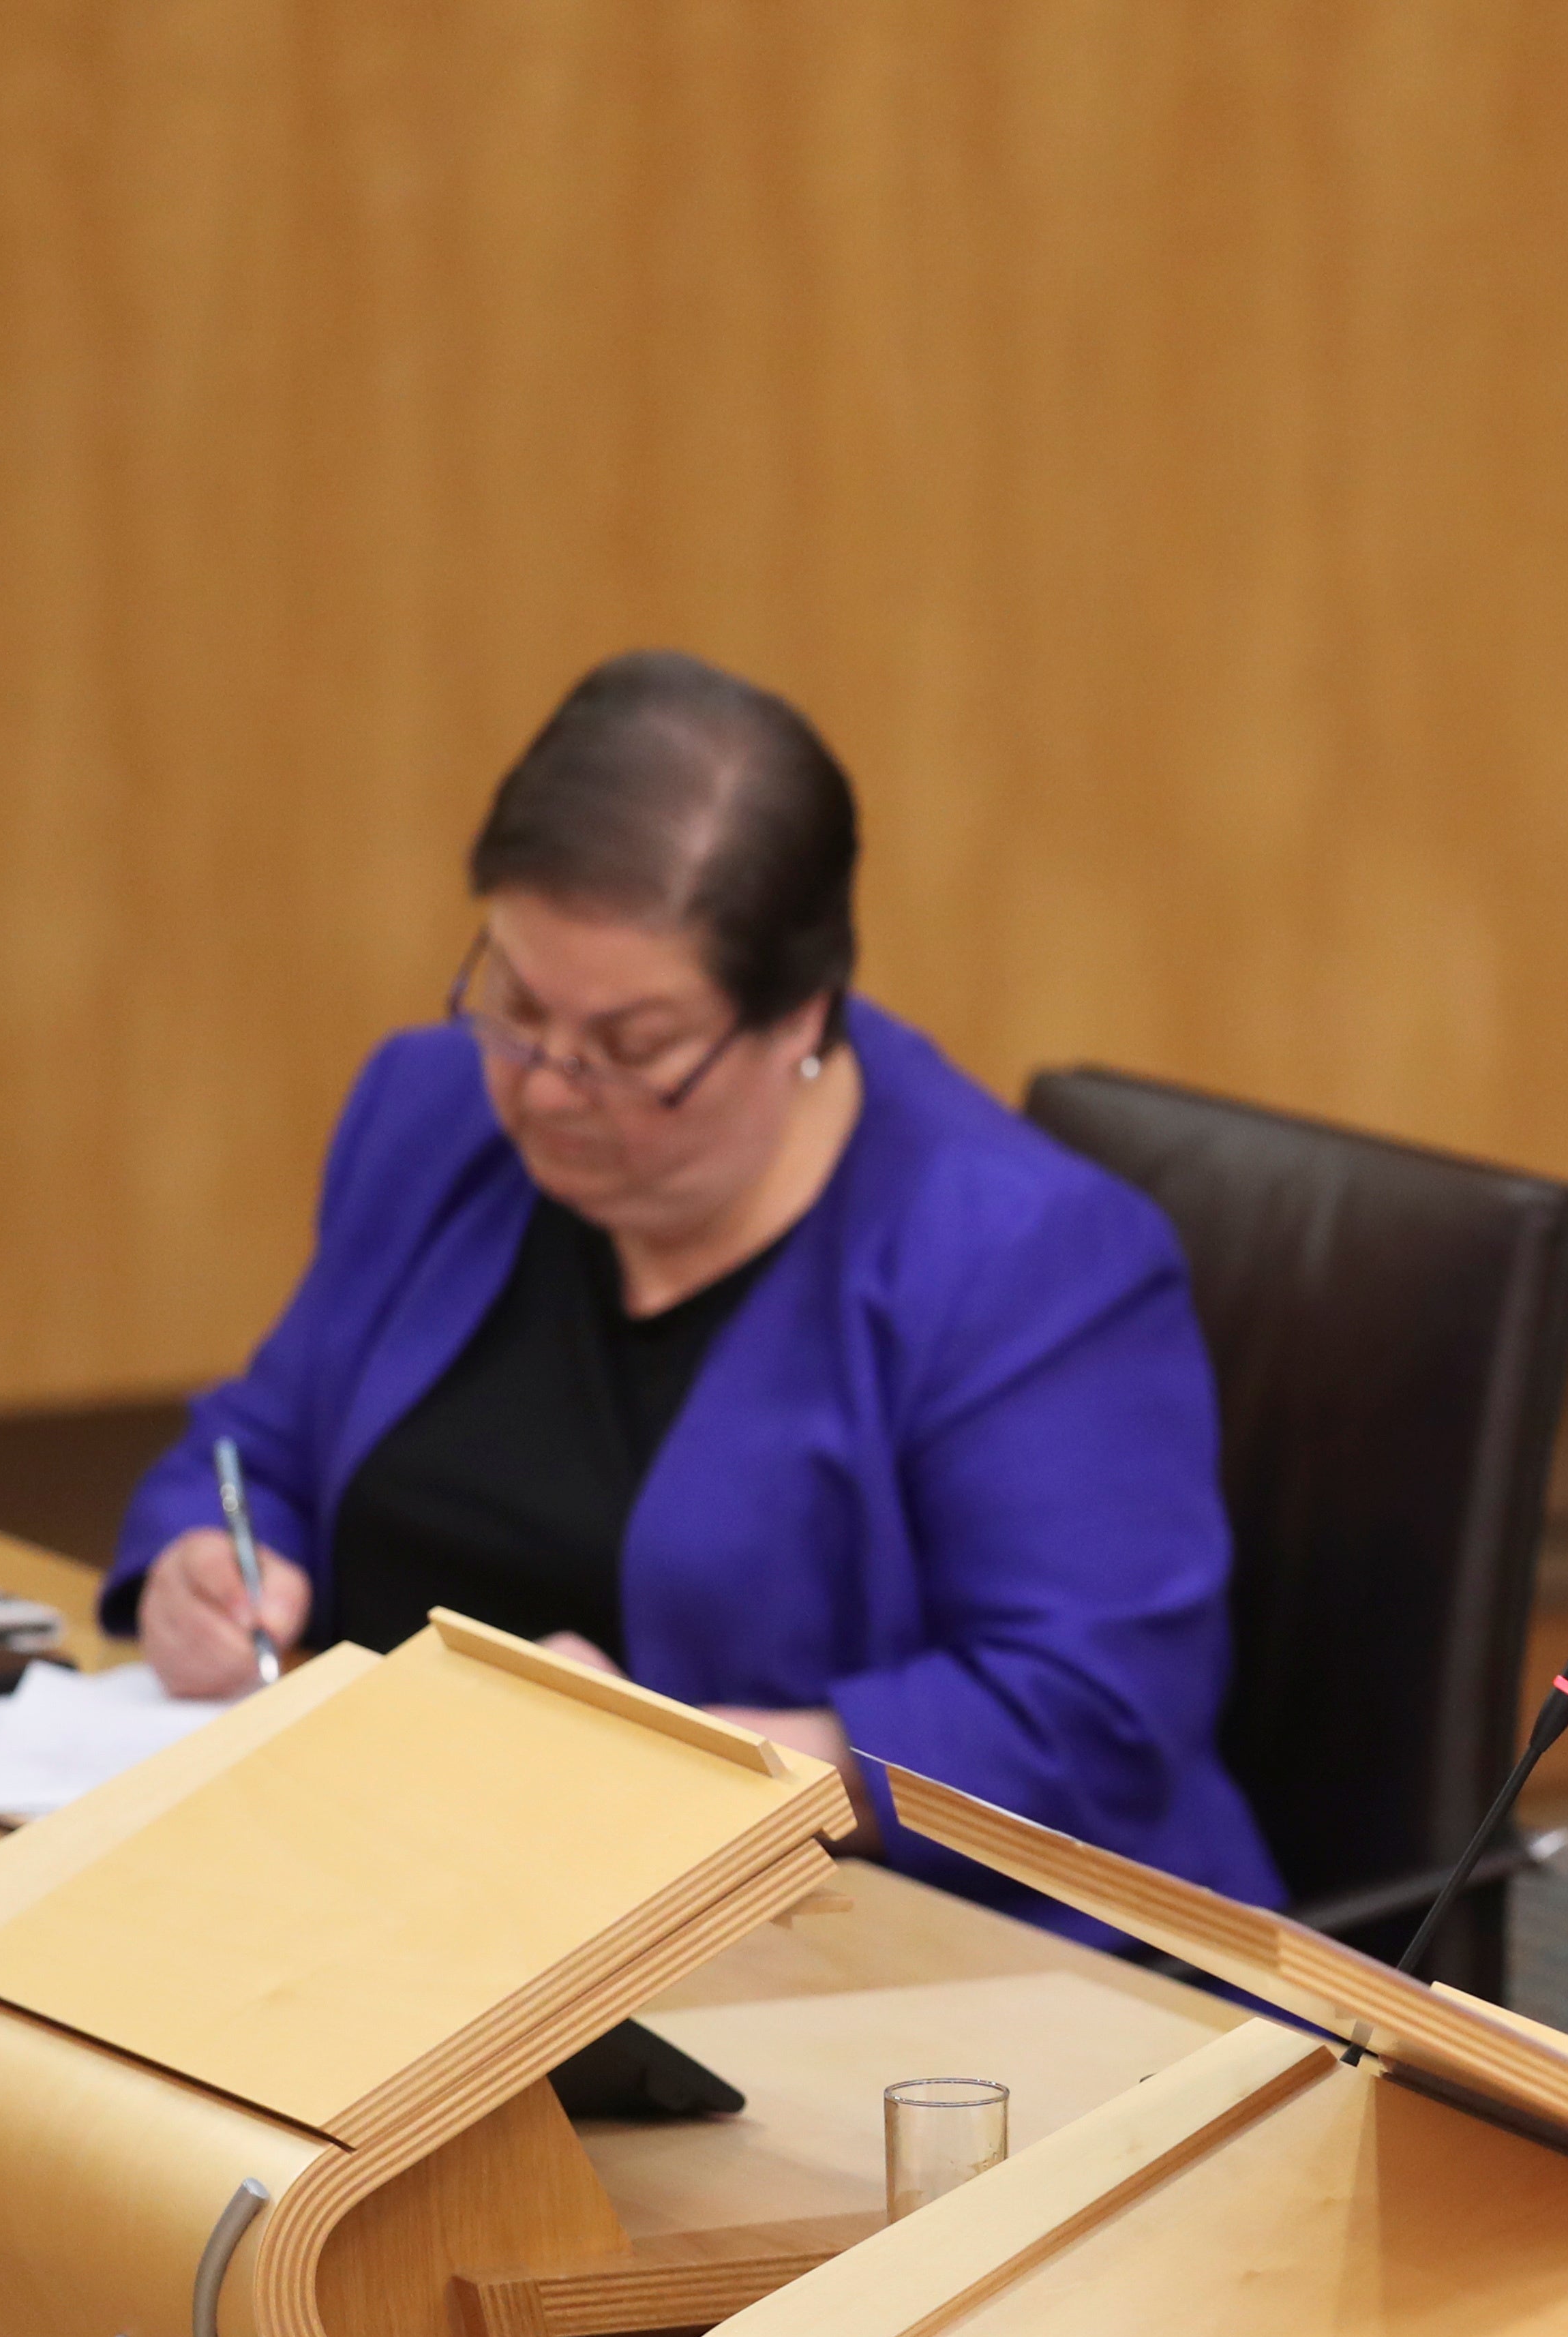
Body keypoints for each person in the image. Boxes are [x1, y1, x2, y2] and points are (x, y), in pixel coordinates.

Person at [105, 648, 1286, 1931]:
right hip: (420, 1905)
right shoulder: (433, 1110)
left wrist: (691, 1768)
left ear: (802, 1017)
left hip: (911, 1978)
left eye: (634, 1047)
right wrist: (207, 1564)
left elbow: (1090, 1714)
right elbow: (262, 1437)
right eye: (515, 998)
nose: (548, 1084)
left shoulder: (1021, 1256)